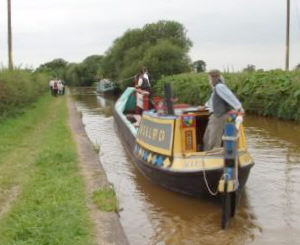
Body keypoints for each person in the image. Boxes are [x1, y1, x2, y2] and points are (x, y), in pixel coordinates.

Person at [201, 69, 244, 151]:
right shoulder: (216, 89)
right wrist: (204, 106)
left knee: (213, 139)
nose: (209, 81)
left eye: (209, 78)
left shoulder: (219, 87)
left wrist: (239, 108)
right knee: (207, 138)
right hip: (214, 116)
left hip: (218, 116)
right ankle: (208, 153)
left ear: (214, 77)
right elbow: (211, 101)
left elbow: (230, 97)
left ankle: (213, 156)